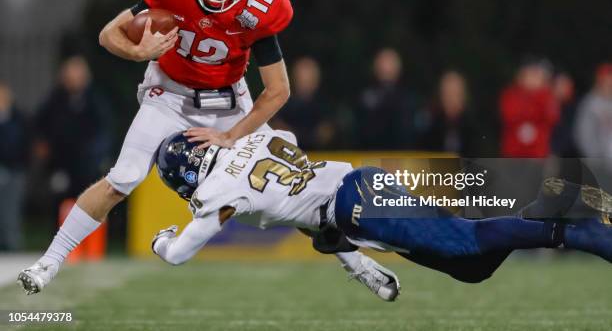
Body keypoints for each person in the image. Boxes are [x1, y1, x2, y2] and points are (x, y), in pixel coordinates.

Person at [18, 0, 367, 295]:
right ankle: (48, 263)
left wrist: (231, 135)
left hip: (229, 101)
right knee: (123, 178)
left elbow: (278, 91)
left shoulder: (261, 7)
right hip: (168, 94)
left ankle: (359, 264)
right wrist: (138, 51)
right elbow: (108, 35)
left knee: (290, 180)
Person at [146, 129, 610, 299]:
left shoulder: (216, 192)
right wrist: (363, 267)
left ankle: (581, 233)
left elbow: (178, 254)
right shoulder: (257, 136)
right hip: (357, 193)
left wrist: (160, 240)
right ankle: (543, 208)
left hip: (356, 206)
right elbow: (317, 222)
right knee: (473, 268)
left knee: (467, 241)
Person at [34, 55, 113, 199]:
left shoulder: (95, 102)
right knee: (61, 206)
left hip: (87, 167)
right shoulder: (54, 100)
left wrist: (96, 158)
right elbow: (40, 124)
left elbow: (103, 133)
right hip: (60, 165)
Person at [357, 49, 418, 149]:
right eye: (382, 64)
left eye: (389, 64)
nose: (385, 68)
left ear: (398, 69)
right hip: (369, 154)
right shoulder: (365, 96)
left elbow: (406, 132)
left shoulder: (407, 97)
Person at [499, 57, 559, 158]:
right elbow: (509, 116)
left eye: (537, 76)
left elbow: (551, 117)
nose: (533, 80)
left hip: (538, 153)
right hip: (513, 151)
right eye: (530, 75)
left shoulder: (547, 97)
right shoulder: (511, 95)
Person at [273, 57, 335, 149]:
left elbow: (328, 131)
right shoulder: (282, 102)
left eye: (309, 75)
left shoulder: (325, 104)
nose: (305, 79)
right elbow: (276, 126)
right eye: (302, 74)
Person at [0, 82, 29, 251]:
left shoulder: (18, 118)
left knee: (11, 212)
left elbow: (18, 144)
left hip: (13, 170)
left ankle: (12, 246)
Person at [420, 70, 477, 156]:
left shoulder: (473, 128)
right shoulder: (430, 126)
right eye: (448, 93)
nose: (451, 99)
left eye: (456, 93)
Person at [574, 63, 612, 160]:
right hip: (598, 161)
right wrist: (596, 157)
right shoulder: (590, 103)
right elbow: (583, 134)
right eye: (606, 80)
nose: (609, 84)